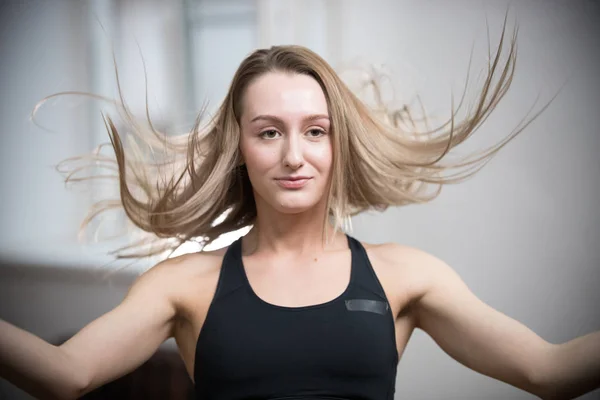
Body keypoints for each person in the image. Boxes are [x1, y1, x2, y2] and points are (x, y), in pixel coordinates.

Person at [1, 24, 599, 400]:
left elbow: (549, 372)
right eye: (268, 133)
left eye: (315, 130)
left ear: (339, 144)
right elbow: (66, 375)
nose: (294, 155)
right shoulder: (184, 286)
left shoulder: (407, 277)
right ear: (239, 146)